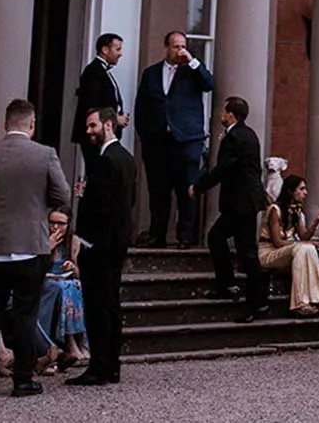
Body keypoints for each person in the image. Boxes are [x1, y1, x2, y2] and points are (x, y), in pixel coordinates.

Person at [0, 99, 73, 398]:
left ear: (5, 124)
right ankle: (22, 380)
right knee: (26, 314)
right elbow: (62, 195)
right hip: (29, 245)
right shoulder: (44, 154)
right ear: (32, 124)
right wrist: (36, 207)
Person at [69, 105, 135, 387]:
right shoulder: (127, 158)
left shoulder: (103, 160)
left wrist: (83, 239)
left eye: (93, 125)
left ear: (109, 125)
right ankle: (112, 366)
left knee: (97, 306)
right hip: (118, 240)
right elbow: (127, 200)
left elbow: (102, 207)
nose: (88, 131)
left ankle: (98, 367)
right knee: (111, 304)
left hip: (100, 244)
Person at [133, 30, 214, 247]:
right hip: (157, 142)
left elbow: (209, 84)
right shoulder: (151, 73)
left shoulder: (192, 71)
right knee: (158, 191)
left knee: (186, 190)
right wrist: (146, 136)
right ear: (167, 47)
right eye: (176, 46)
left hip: (187, 141)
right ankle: (157, 235)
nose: (180, 50)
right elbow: (141, 107)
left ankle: (185, 236)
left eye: (183, 46)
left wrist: (193, 61)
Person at [194, 95, 269, 320]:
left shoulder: (234, 137)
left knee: (246, 252)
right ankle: (227, 285)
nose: (221, 115)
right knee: (218, 238)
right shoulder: (249, 134)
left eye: (224, 112)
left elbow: (223, 168)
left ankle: (257, 303)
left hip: (240, 203)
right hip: (246, 201)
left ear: (232, 115)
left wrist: (198, 187)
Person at [261, 174, 319, 315]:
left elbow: (304, 237)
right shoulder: (275, 210)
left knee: (308, 247)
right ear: (290, 191)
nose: (305, 192)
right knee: (303, 247)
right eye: (301, 189)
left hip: (288, 250)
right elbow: (277, 242)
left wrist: (316, 221)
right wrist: (302, 243)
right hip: (268, 252)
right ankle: (300, 304)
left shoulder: (297, 211)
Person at [36, 211, 88, 373]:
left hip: (63, 281)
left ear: (68, 225)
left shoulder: (73, 241)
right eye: (52, 222)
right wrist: (47, 248)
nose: (55, 227)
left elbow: (79, 274)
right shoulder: (41, 238)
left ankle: (75, 341)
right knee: (60, 288)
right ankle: (67, 344)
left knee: (73, 286)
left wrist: (72, 267)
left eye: (60, 223)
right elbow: (33, 269)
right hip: (44, 281)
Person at [72, 32, 127, 175]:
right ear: (105, 49)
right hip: (95, 135)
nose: (120, 54)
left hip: (103, 133)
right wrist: (115, 118)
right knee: (98, 173)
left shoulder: (102, 71)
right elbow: (91, 104)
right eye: (118, 49)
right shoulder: (93, 71)